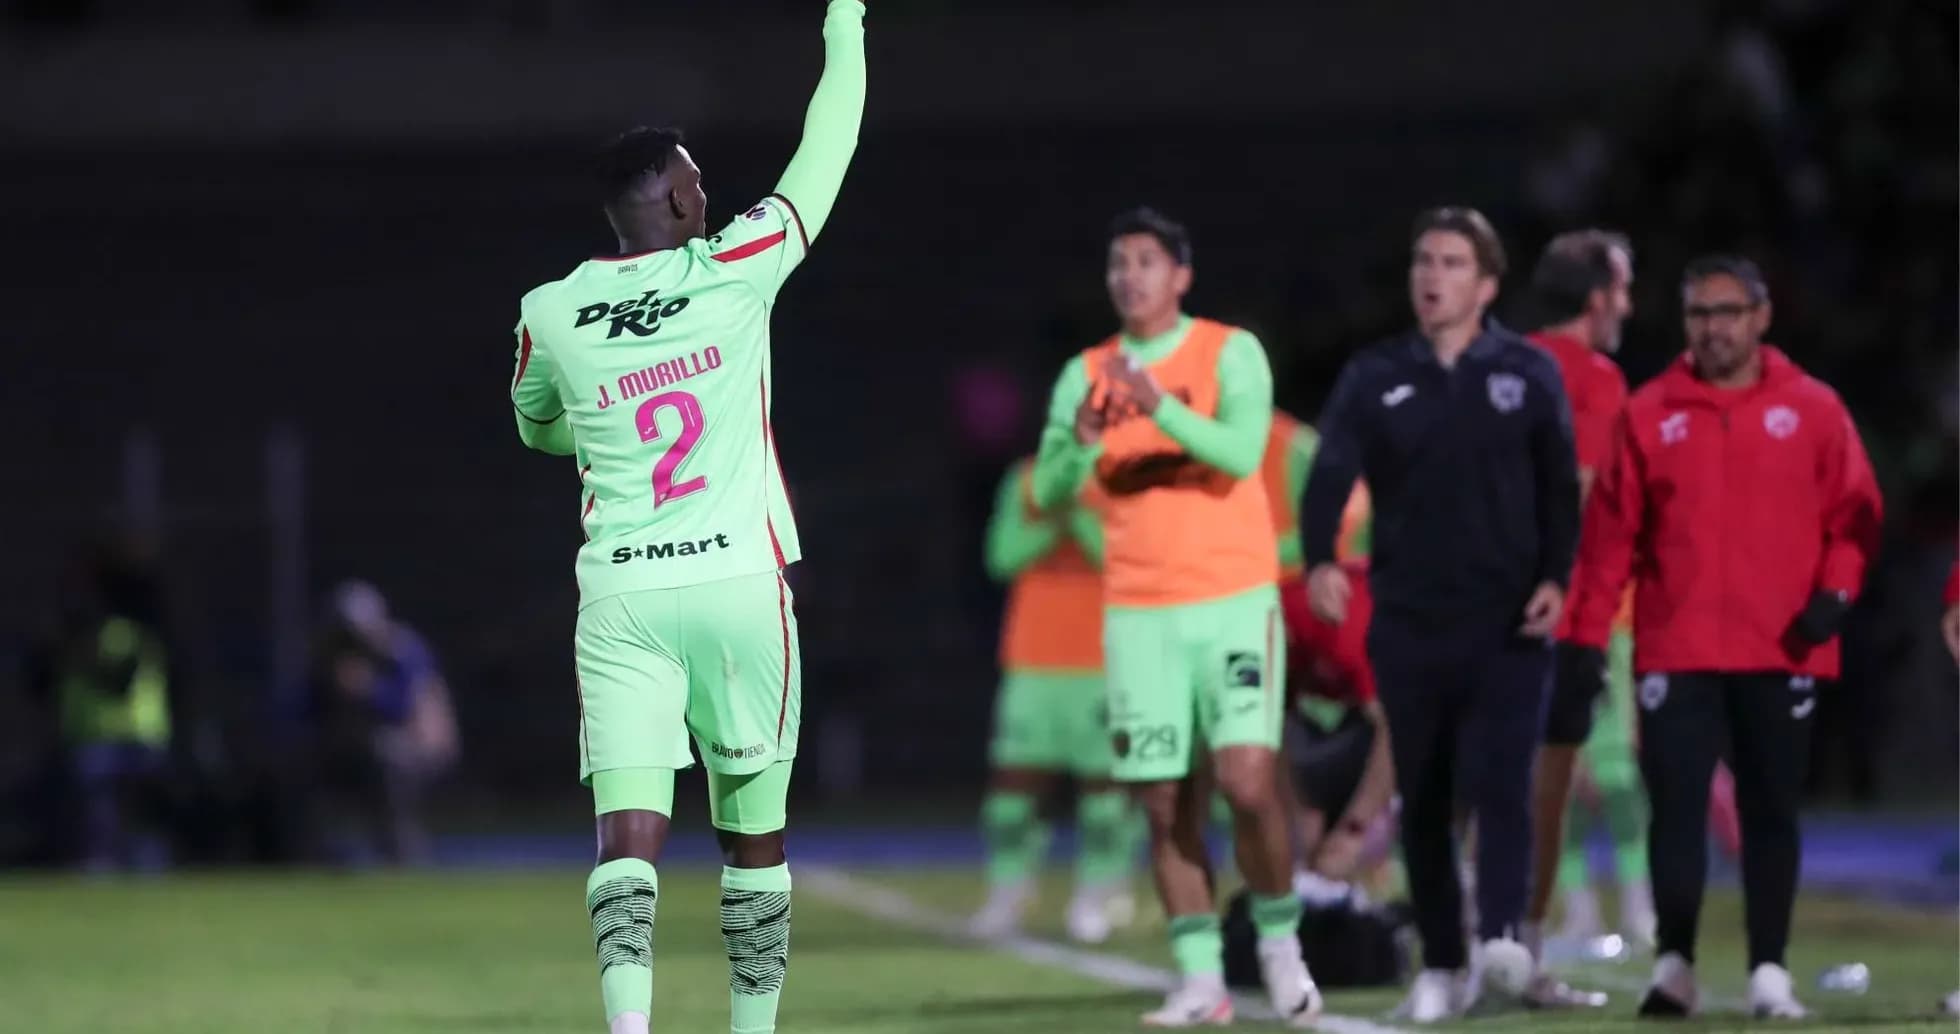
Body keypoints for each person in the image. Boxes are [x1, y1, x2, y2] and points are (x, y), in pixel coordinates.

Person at [506, 4, 865, 1032]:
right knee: (754, 839)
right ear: (671, 193)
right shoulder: (736, 265)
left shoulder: (551, 309)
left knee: (626, 836)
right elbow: (827, 143)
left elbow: (538, 428)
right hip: (737, 582)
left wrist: (610, 414)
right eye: (698, 178)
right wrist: (845, 22)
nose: (709, 191)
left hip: (624, 594)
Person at [1563, 255, 1882, 1020]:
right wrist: (1585, 642)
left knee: (1772, 811)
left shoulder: (1813, 409)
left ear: (1761, 317)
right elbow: (1608, 542)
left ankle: (1769, 969)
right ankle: (1675, 963)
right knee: (1674, 811)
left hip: (1784, 648)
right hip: (1677, 650)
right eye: (1700, 314)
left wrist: (1834, 596)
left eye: (1728, 312)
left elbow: (1857, 515)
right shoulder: (1649, 412)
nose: (1714, 329)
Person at [1031, 207, 1321, 1027]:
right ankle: (1202, 979)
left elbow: (1239, 453)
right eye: (1118, 263)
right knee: (1162, 801)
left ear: (1181, 275)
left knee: (1248, 784)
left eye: (1146, 261)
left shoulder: (1230, 351)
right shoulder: (1084, 372)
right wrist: (1080, 439)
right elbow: (1048, 491)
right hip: (1140, 614)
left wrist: (1157, 404)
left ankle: (1281, 949)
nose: (1130, 276)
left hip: (1233, 603)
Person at [1299, 207, 1580, 1022]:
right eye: (1424, 260)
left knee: (1503, 785)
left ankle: (1500, 941)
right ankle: (1442, 967)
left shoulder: (1528, 372)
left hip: (1509, 623)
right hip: (1411, 619)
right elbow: (1331, 472)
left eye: (1453, 262)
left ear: (1486, 284)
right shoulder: (1376, 373)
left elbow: (1559, 487)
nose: (1432, 276)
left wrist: (1555, 578)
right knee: (1421, 797)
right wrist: (1320, 558)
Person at [1515, 230, 1646, 1006]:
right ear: (1598, 297)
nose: (1627, 304)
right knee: (1576, 773)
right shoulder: (1595, 378)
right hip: (1580, 611)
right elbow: (1583, 484)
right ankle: (1576, 922)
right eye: (1622, 289)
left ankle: (1494, 944)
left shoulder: (1502, 363)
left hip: (1495, 606)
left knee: (1508, 776)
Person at [970, 457, 1142, 944]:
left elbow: (1127, 563)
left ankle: (1099, 890)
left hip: (1104, 659)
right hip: (1032, 659)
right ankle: (1009, 888)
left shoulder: (1127, 478)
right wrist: (1054, 524)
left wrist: (1076, 517)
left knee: (1105, 796)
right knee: (1010, 795)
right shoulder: (1026, 479)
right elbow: (1002, 557)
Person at [305, 580, 458, 866]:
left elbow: (406, 710)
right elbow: (310, 710)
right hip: (354, 751)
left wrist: (368, 688)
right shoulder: (329, 658)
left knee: (385, 755)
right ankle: (321, 848)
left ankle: (401, 847)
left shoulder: (402, 650)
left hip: (417, 749)